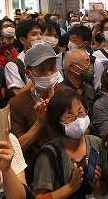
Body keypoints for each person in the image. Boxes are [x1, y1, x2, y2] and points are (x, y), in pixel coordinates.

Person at [8, 45, 69, 177]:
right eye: (41, 70)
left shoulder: (67, 95)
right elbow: (17, 149)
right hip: (38, 173)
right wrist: (38, 124)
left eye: (52, 68)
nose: (48, 74)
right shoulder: (16, 104)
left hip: (69, 166)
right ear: (28, 73)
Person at [61, 48, 96, 113]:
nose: (90, 66)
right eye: (87, 62)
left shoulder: (90, 90)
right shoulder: (59, 92)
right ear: (72, 68)